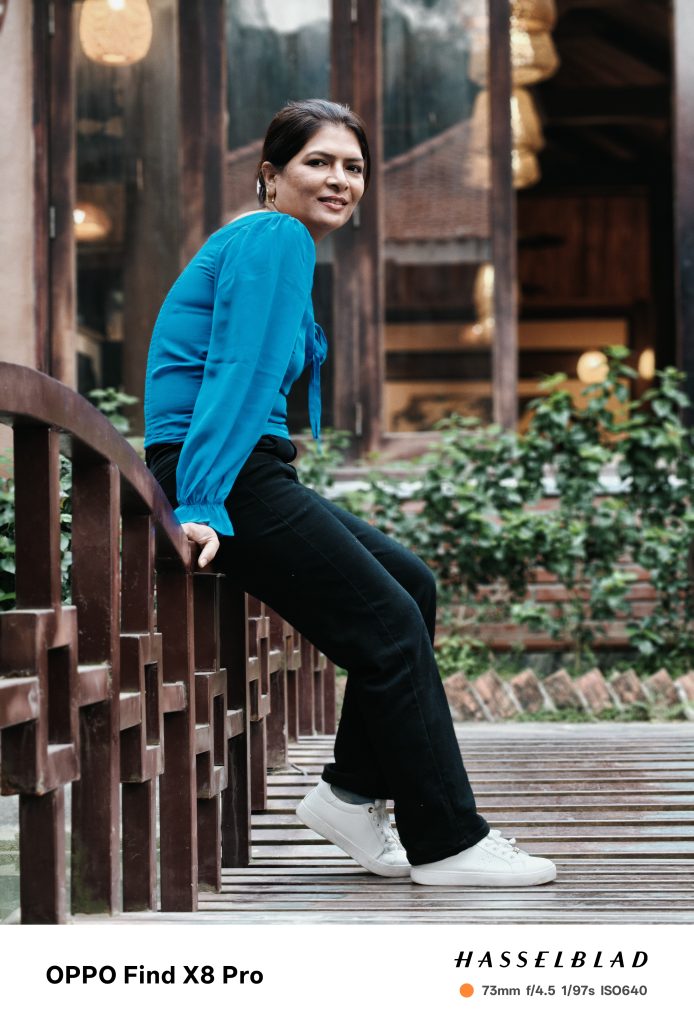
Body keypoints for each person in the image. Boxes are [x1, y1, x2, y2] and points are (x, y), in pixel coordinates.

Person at [143, 99, 556, 887]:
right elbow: (237, 375)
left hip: (239, 464)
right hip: (223, 470)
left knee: (409, 584)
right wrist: (199, 502)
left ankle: (351, 796)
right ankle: (449, 842)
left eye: (354, 167)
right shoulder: (274, 236)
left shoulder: (272, 243)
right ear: (271, 174)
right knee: (389, 628)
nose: (340, 179)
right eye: (319, 162)